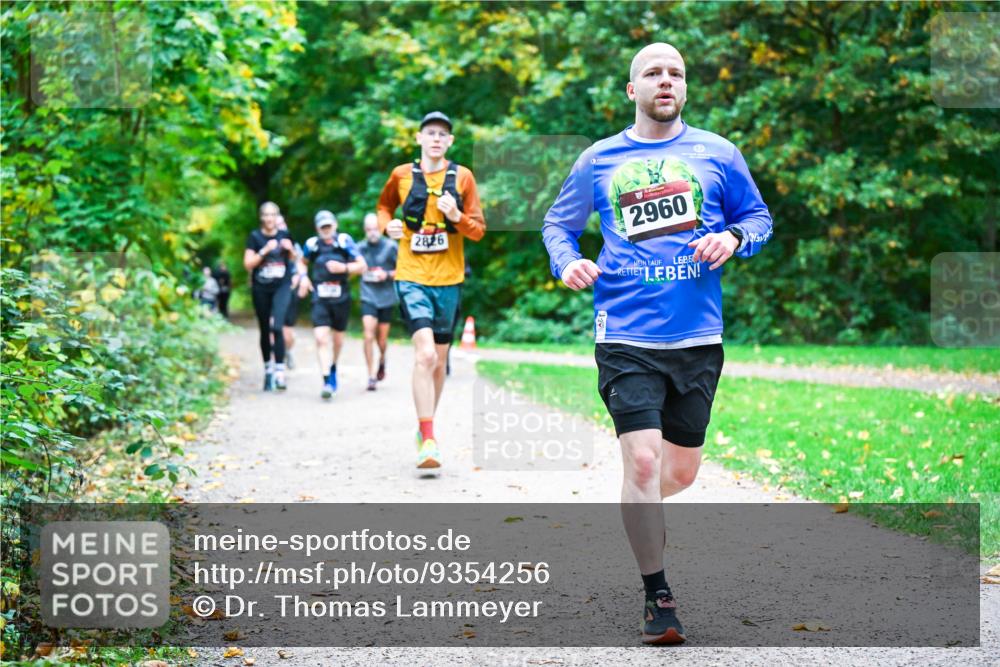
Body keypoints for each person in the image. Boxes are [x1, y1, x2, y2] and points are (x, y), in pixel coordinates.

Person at [542, 43, 773, 645]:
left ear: (686, 90)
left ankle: (635, 506)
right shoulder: (600, 160)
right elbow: (557, 226)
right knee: (642, 461)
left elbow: (759, 219)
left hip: (697, 337)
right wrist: (567, 261)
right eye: (652, 72)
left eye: (675, 73)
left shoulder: (718, 153)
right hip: (624, 333)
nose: (664, 81)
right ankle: (658, 596)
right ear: (632, 89)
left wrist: (733, 238)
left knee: (680, 472)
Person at [376, 111, 486, 471]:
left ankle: (426, 428)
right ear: (419, 139)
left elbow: (478, 231)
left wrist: (455, 215)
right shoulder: (401, 175)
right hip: (410, 274)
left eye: (443, 134)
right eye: (430, 133)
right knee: (424, 355)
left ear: (450, 142)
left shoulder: (463, 178)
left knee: (438, 361)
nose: (436, 139)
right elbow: (382, 207)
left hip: (449, 279)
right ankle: (429, 436)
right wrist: (386, 226)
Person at [298, 210, 367, 399]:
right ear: (317, 228)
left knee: (337, 341)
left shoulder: (344, 242)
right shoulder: (312, 245)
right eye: (323, 227)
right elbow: (301, 263)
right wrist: (303, 277)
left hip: (341, 298)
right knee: (321, 339)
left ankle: (333, 366)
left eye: (329, 226)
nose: (326, 229)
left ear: (335, 225)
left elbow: (362, 266)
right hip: (320, 297)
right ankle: (327, 379)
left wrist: (343, 268)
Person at [244, 201, 297, 391]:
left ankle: (280, 372)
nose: (269, 218)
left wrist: (290, 250)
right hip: (261, 288)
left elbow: (293, 259)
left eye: (272, 214)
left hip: (282, 286)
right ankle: (268, 370)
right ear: (261, 217)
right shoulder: (255, 237)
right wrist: (264, 251)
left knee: (278, 326)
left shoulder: (284, 235)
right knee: (265, 329)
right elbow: (248, 264)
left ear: (277, 217)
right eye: (266, 215)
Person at [357, 212, 398, 391]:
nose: (372, 232)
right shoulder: (359, 248)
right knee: (368, 334)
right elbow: (351, 266)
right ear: (365, 230)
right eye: (368, 229)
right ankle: (370, 375)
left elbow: (404, 270)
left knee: (382, 340)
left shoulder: (391, 246)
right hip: (368, 295)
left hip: (386, 297)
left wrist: (387, 274)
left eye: (375, 229)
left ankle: (382, 359)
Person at [277, 215, 303, 369]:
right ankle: (276, 365)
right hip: (272, 290)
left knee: (287, 332)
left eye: (282, 224)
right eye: (277, 224)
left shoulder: (294, 246)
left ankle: (288, 350)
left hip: (289, 290)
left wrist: (299, 279)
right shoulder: (268, 244)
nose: (280, 227)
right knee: (273, 327)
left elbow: (301, 265)